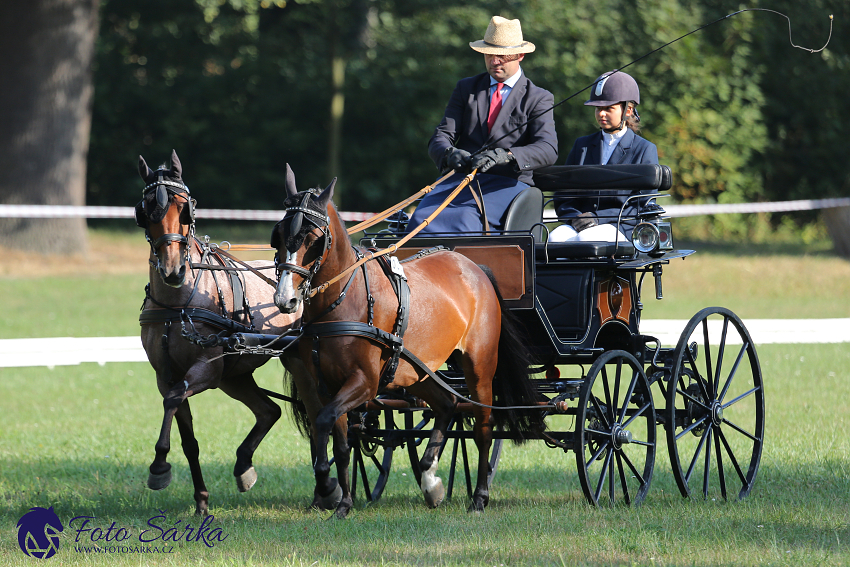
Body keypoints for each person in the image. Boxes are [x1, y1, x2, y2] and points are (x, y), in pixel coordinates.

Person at [408, 15, 558, 234]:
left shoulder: (538, 97)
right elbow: (440, 136)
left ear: (520, 55)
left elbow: (548, 149)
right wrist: (449, 153)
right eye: (489, 55)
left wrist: (506, 155)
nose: (494, 61)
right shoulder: (466, 88)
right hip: (460, 181)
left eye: (502, 56)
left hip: (508, 185)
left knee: (463, 220)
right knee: (420, 218)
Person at [551, 70, 659, 243]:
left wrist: (596, 217)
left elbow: (642, 204)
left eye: (608, 108)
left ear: (628, 110)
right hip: (580, 223)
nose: (601, 114)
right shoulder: (582, 145)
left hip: (621, 226)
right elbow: (564, 195)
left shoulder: (644, 149)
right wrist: (575, 218)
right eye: (598, 108)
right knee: (555, 238)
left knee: (587, 239)